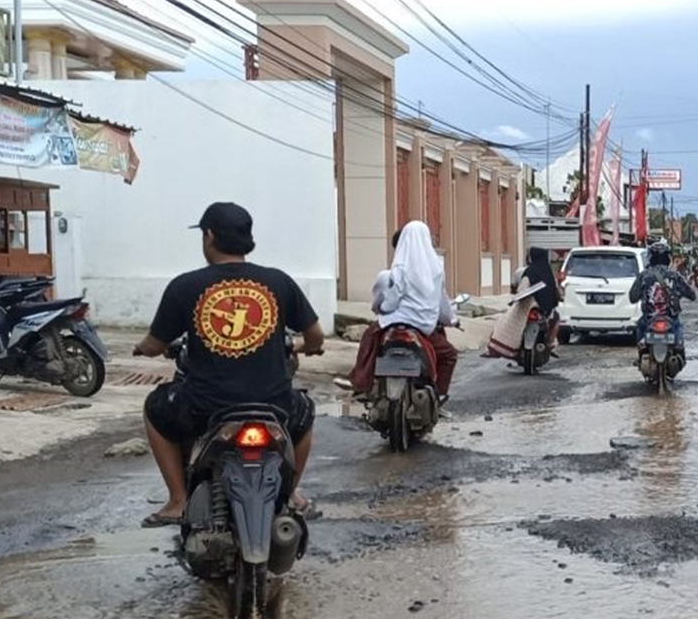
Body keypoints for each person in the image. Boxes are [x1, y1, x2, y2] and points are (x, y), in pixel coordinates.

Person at [133, 202, 324, 528]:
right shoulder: (279, 282)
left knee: (155, 407)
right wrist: (304, 347)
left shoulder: (186, 286)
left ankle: (178, 501)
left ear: (209, 236)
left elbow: (155, 344)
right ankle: (291, 493)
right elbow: (316, 336)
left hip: (205, 407)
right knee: (305, 413)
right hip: (274, 405)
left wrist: (142, 349)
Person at [353, 221, 460, 402]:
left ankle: (362, 384)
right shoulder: (436, 270)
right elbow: (442, 304)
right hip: (424, 326)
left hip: (394, 322)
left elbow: (391, 301)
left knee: (370, 341)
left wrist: (385, 309)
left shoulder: (398, 269)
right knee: (449, 355)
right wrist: (451, 319)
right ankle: (438, 396)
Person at [489, 246, 561, 359]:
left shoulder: (527, 272)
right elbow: (555, 292)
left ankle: (503, 346)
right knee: (556, 319)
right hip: (545, 310)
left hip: (527, 306)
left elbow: (520, 290)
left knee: (507, 320)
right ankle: (549, 344)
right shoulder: (549, 273)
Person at [628, 240, 696, 355]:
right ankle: (679, 347)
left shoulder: (644, 275)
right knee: (678, 326)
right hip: (671, 319)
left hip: (648, 319)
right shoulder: (675, 276)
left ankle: (641, 353)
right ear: (667, 258)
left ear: (651, 258)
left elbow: (632, 297)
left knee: (640, 326)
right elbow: (691, 295)